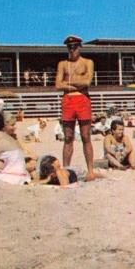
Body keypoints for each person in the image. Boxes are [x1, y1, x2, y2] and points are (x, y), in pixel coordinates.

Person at [55, 35, 98, 181]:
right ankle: (66, 170)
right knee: (68, 137)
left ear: (80, 47)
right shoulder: (62, 64)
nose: (72, 50)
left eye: (74, 47)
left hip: (82, 99)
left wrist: (68, 81)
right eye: (69, 47)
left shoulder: (87, 62)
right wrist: (76, 83)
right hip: (68, 99)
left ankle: (90, 170)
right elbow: (57, 85)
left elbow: (87, 82)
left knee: (86, 136)